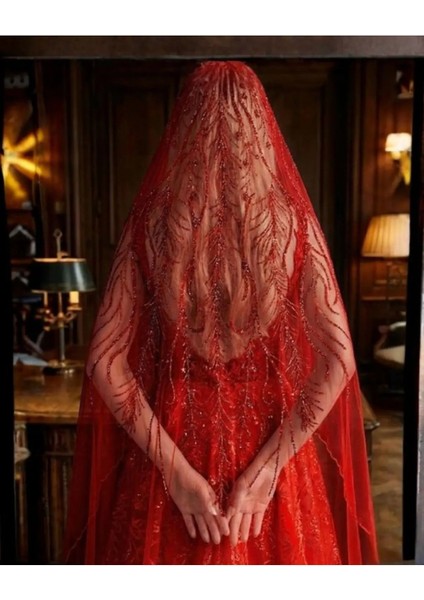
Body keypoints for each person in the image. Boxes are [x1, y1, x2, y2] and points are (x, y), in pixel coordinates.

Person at [63, 60, 379, 565]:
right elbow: (338, 361)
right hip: (270, 444)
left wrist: (175, 471)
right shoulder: (292, 225)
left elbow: (103, 362)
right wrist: (269, 468)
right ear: (260, 128)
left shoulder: (152, 223)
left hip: (174, 442)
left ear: (184, 127)